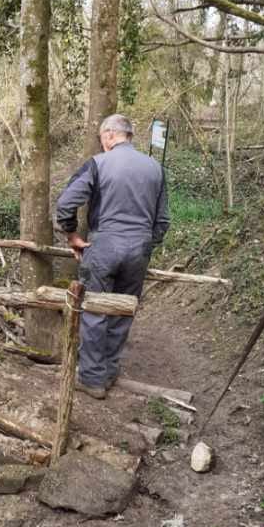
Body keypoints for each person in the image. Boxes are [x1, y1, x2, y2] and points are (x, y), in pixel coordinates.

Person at [56, 114, 170, 399]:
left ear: (108, 135)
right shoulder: (155, 168)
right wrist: (145, 244)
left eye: (100, 137)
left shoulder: (98, 163)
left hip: (104, 245)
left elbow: (66, 203)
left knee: (95, 310)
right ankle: (109, 370)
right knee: (123, 308)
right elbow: (163, 220)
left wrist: (72, 236)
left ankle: (93, 379)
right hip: (139, 248)